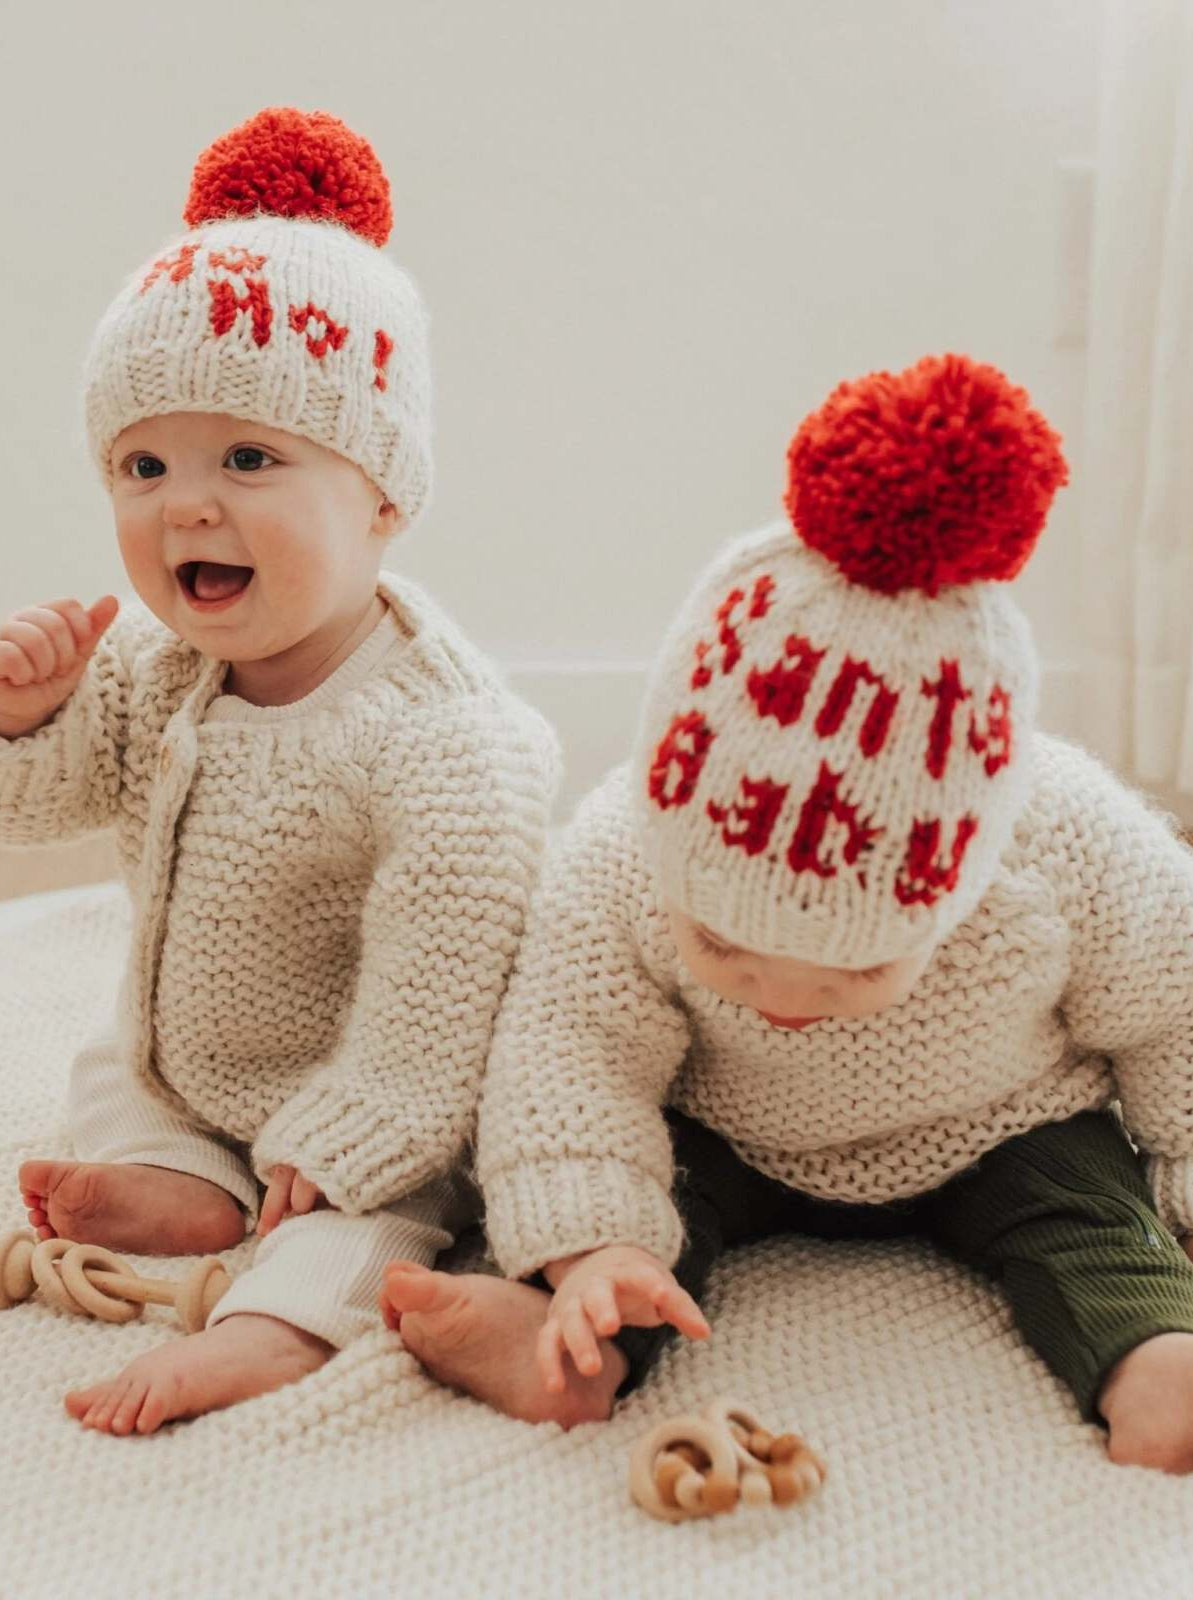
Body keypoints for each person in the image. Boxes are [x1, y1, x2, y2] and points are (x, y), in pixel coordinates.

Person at [383, 354, 1193, 1472]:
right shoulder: (626, 850)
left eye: (853, 972)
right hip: (731, 1130)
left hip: (1006, 1122)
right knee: (644, 1233)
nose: (775, 997)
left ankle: (1150, 1358)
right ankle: (575, 1348)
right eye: (719, 945)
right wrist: (587, 1239)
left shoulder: (1065, 843)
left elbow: (1172, 1005)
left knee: (1092, 1220)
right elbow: (572, 1046)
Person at [2, 107, 558, 1434]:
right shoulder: (153, 663)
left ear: (381, 494)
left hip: (383, 1089)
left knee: (388, 1220)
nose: (186, 504)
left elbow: (441, 989)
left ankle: (264, 1330)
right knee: (109, 1077)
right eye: (143, 466)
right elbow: (46, 806)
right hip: (190, 1056)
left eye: (249, 459)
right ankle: (184, 1181)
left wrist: (352, 1129)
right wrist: (24, 718)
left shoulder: (446, 741)